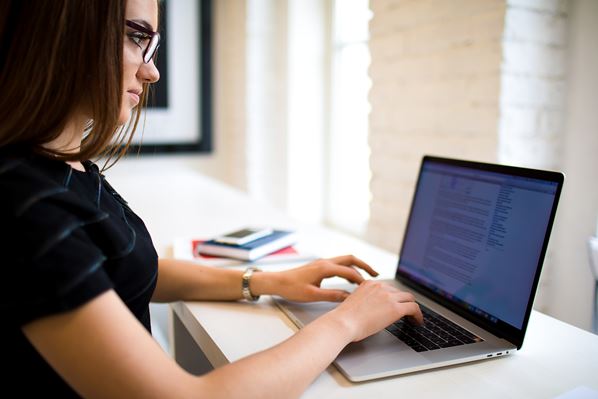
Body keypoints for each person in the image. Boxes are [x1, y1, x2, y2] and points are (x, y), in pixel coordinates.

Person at [0, 0, 423, 397]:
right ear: (63, 32)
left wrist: (263, 281)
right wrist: (346, 323)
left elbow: (123, 269)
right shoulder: (28, 206)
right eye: (135, 37)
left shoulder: (64, 167)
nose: (152, 74)